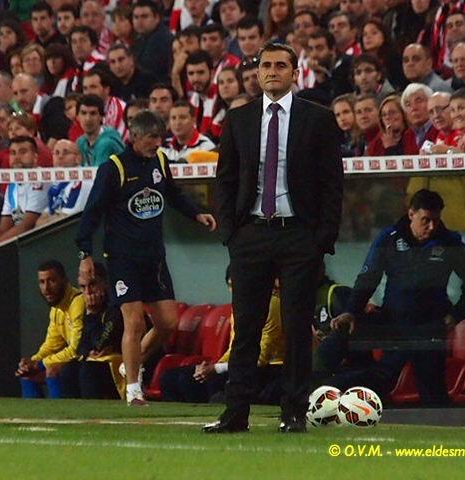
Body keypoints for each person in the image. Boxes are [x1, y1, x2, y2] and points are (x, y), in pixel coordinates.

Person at [208, 42, 343, 434]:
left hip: (298, 235)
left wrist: (322, 240)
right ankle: (236, 413)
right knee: (246, 327)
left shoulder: (317, 119)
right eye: (265, 65)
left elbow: (333, 183)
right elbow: (226, 179)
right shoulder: (240, 119)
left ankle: (294, 412)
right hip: (250, 234)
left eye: (280, 65)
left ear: (294, 72)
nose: (271, 71)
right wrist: (231, 233)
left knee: (297, 327)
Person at [76, 110, 217, 405]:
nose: (157, 143)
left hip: (154, 257)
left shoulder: (160, 161)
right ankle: (133, 389)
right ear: (135, 137)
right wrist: (85, 253)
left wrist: (196, 214)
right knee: (135, 322)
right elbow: (93, 212)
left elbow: (174, 194)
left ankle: (131, 363)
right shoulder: (114, 168)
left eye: (159, 137)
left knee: (167, 322)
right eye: (152, 137)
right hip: (123, 258)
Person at [331, 189, 465, 406]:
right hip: (396, 324)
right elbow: (368, 279)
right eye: (425, 220)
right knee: (380, 381)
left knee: (432, 391)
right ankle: (336, 398)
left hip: (430, 327)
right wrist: (351, 311)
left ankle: (442, 433)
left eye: (436, 220)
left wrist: (456, 315)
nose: (431, 227)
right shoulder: (390, 239)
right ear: (411, 214)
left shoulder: (449, 242)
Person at [161, 270, 284, 404]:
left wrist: (217, 369)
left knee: (211, 382)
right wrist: (212, 366)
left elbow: (260, 356)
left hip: (267, 369)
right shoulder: (239, 307)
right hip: (240, 365)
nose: (234, 290)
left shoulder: (271, 304)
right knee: (171, 377)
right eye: (230, 286)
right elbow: (234, 347)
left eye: (237, 285)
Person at [16, 260, 84, 399]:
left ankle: (60, 417)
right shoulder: (56, 309)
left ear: (64, 280)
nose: (46, 288)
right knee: (28, 376)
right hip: (73, 361)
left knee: (52, 370)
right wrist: (31, 363)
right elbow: (51, 345)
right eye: (42, 282)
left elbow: (76, 350)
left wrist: (40, 364)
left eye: (51, 281)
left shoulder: (78, 302)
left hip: (88, 360)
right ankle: (35, 419)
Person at [76, 262, 125, 399]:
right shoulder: (88, 307)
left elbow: (100, 343)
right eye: (83, 287)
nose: (88, 292)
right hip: (107, 363)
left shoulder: (116, 307)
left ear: (105, 284)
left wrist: (92, 313)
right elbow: (81, 347)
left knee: (89, 370)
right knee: (69, 369)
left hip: (131, 364)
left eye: (92, 285)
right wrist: (88, 351)